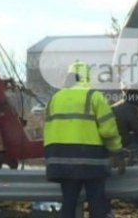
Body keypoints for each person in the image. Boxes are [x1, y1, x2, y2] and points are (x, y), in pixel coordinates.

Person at [44, 61, 124, 218]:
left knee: (68, 204)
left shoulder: (55, 98)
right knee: (97, 204)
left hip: (62, 161)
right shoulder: (94, 96)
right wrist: (117, 151)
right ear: (87, 76)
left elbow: (48, 131)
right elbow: (108, 131)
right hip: (91, 161)